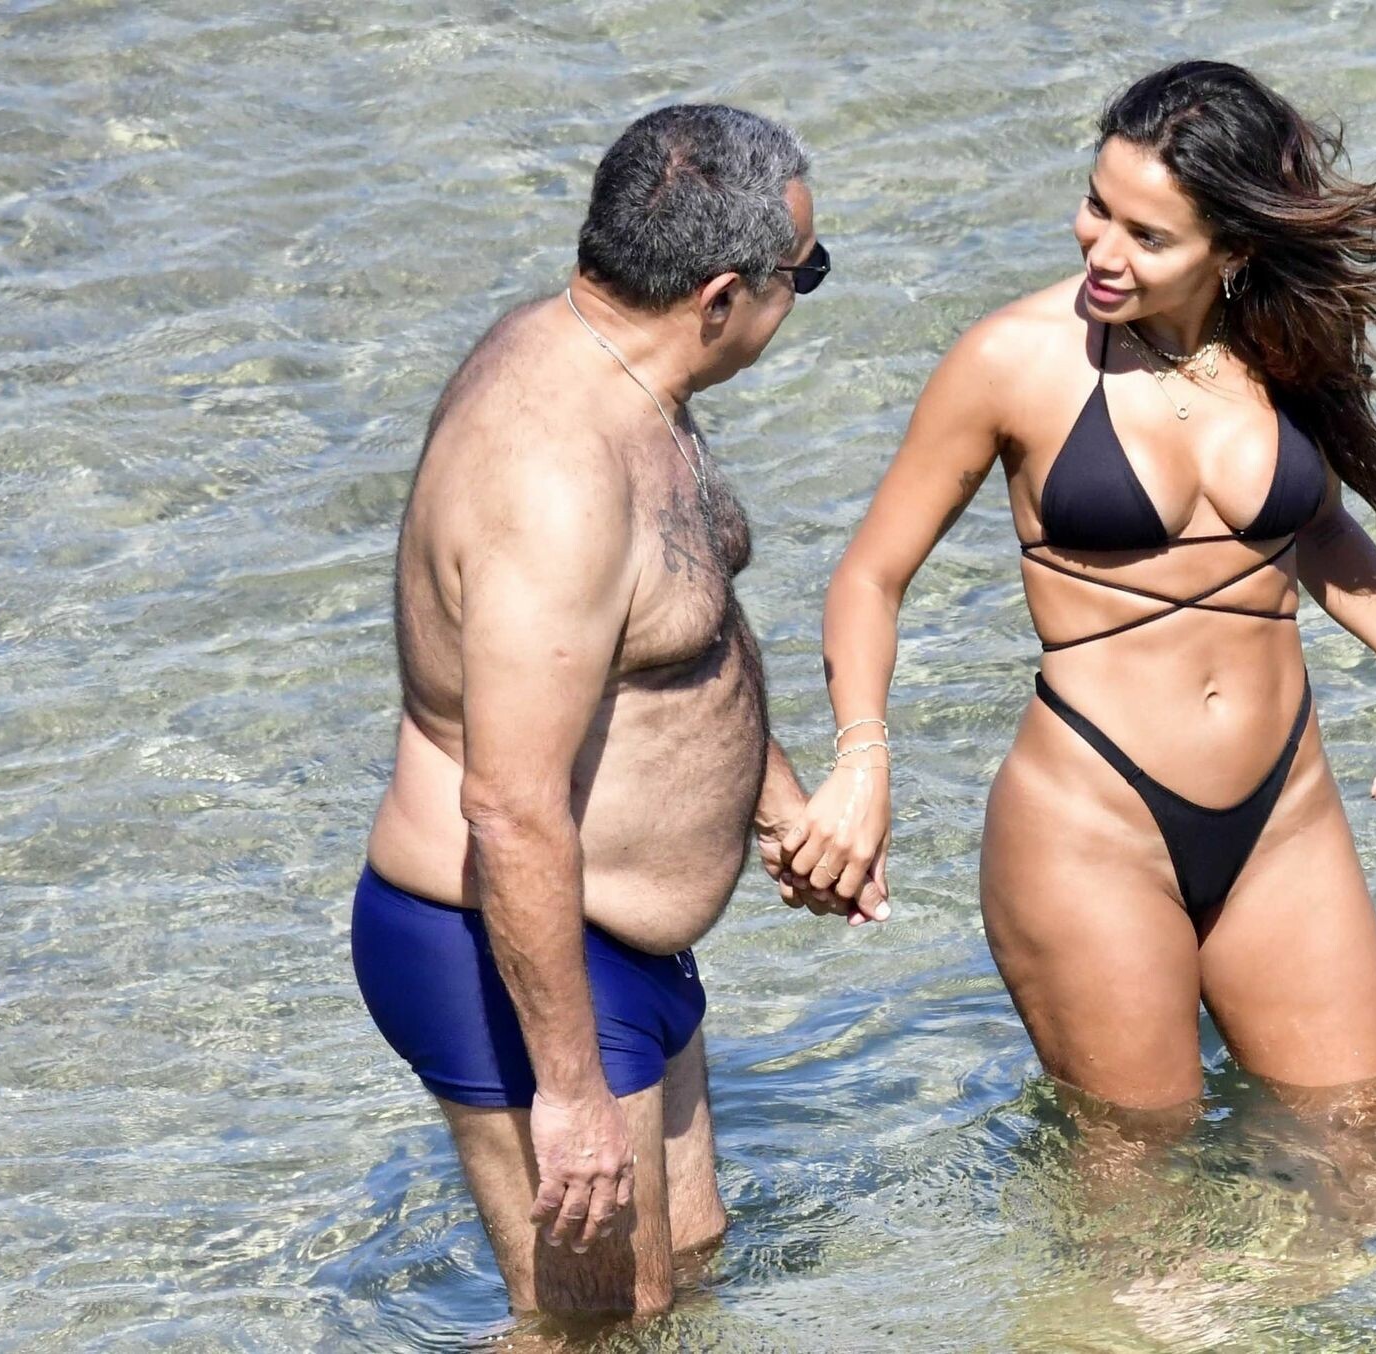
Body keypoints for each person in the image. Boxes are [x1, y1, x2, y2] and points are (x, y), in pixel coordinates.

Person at [786, 62, 1376, 1136]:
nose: (1102, 249)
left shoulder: (1283, 344)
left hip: (1286, 816)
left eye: (1148, 236)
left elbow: (1311, 525)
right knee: (1138, 1191)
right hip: (1092, 826)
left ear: (1235, 248)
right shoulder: (1013, 360)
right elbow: (870, 576)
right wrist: (863, 760)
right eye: (1097, 207)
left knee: (1367, 1148)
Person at [348, 103, 881, 1326]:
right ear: (721, 296)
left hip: (617, 938)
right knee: (594, 1332)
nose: (803, 300)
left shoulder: (627, 372)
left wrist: (773, 799)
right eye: (806, 277)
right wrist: (572, 1091)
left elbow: (664, 645)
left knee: (685, 1272)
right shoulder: (555, 477)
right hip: (509, 943)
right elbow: (509, 801)